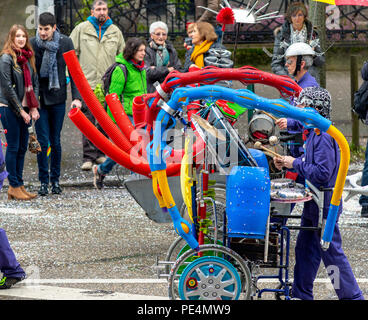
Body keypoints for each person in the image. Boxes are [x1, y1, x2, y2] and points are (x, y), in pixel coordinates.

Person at [273, 87, 364, 300]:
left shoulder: (323, 136)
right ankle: (301, 293)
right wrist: (291, 165)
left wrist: (293, 163)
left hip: (326, 204)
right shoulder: (315, 133)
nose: (300, 111)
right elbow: (310, 165)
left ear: (317, 109)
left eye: (304, 107)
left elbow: (322, 173)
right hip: (315, 201)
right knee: (305, 249)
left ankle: (351, 296)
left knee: (331, 256)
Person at [30, 12, 82, 196]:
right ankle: (43, 181)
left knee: (56, 141)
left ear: (53, 28)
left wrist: (76, 97)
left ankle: (56, 181)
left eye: (46, 29)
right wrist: (30, 103)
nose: (42, 33)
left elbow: (75, 71)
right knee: (43, 141)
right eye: (40, 29)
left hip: (58, 97)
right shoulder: (33, 43)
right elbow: (29, 74)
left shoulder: (65, 42)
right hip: (40, 99)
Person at [70, 0, 125, 171]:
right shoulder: (81, 29)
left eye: (104, 9)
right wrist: (69, 77)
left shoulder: (115, 31)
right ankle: (88, 157)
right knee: (87, 120)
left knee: (104, 121)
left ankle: (101, 153)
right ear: (92, 11)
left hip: (107, 84)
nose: (102, 12)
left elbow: (122, 56)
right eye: (98, 9)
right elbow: (72, 53)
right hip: (87, 83)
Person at [92, 37, 147, 189]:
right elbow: (112, 98)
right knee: (132, 148)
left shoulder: (140, 68)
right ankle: (136, 181)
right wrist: (114, 121)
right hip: (125, 115)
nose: (143, 53)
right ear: (132, 51)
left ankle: (102, 170)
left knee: (127, 149)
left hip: (139, 114)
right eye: (140, 50)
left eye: (144, 50)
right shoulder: (121, 69)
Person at [0, 24, 40, 200]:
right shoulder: (6, 58)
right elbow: (7, 88)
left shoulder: (28, 57)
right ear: (12, 38)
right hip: (9, 107)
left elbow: (35, 83)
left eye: (24, 36)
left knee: (23, 146)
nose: (21, 39)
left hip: (24, 108)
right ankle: (13, 185)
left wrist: (33, 107)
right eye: (18, 36)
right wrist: (21, 111)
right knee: (14, 146)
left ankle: (19, 184)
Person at [275, 42, 319, 160]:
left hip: (304, 148)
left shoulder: (307, 87)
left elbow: (309, 118)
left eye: (290, 62)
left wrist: (289, 122)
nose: (286, 64)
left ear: (302, 63)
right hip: (297, 144)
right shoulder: (298, 83)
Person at [271, 1, 325, 84]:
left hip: (309, 81)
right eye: (294, 15)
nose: (297, 18)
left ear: (304, 16)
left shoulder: (312, 34)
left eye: (300, 15)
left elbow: (321, 62)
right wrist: (287, 79)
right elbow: (276, 64)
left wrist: (313, 53)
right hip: (289, 82)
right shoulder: (281, 35)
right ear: (290, 18)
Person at [145, 21, 181, 93]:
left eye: (164, 34)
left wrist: (156, 68)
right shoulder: (147, 51)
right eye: (158, 34)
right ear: (152, 35)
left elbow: (178, 69)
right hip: (153, 90)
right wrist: (167, 70)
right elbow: (148, 73)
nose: (161, 37)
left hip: (169, 89)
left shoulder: (171, 50)